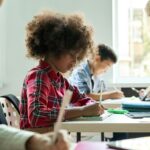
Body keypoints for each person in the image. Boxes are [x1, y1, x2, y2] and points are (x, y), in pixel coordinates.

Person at [19, 10, 104, 132]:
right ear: (55, 48)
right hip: (35, 142)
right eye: (72, 55)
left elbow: (81, 98)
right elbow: (37, 116)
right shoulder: (38, 76)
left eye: (78, 57)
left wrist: (93, 106)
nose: (75, 61)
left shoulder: (61, 81)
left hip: (52, 139)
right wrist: (82, 111)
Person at [0, 125, 70, 150]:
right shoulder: (37, 91)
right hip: (32, 128)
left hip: (36, 136)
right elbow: (36, 117)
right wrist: (34, 140)